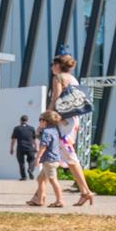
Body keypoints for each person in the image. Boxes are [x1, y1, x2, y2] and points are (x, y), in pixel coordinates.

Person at [46, 53, 95, 205]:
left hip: (63, 121)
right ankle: (39, 195)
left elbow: (56, 98)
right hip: (73, 120)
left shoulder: (58, 78)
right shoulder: (73, 79)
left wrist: (46, 116)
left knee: (70, 157)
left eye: (53, 65)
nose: (51, 68)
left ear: (58, 65)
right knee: (59, 154)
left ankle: (85, 191)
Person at [27, 111, 64, 208]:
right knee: (40, 179)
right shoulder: (54, 130)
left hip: (49, 160)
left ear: (45, 121)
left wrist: (38, 158)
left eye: (40, 120)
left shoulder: (47, 132)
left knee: (53, 180)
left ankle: (60, 200)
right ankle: (39, 199)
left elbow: (44, 145)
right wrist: (39, 132)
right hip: (53, 159)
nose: (39, 122)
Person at [9, 115, 37, 181]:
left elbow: (13, 140)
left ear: (20, 120)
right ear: (27, 121)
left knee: (21, 163)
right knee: (32, 160)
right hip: (30, 148)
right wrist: (36, 147)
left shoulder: (17, 128)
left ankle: (24, 177)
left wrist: (11, 149)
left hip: (20, 148)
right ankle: (30, 170)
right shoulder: (31, 128)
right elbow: (34, 139)